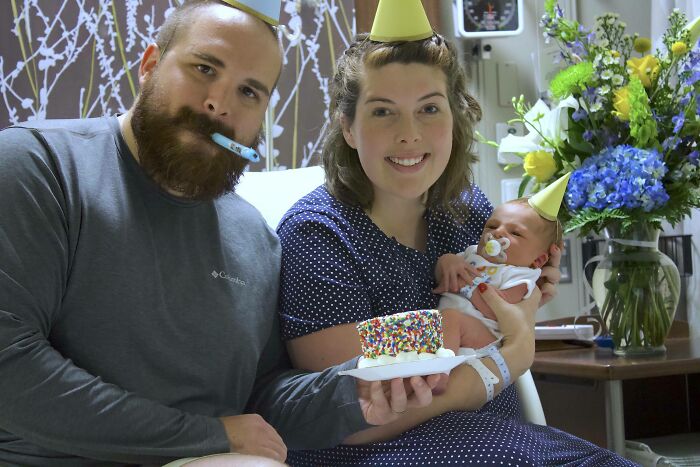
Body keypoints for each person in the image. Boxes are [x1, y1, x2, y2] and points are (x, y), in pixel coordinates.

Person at [0, 1, 440, 466]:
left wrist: (353, 392)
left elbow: (262, 400)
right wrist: (205, 437)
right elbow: (9, 365)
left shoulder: (254, 237)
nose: (220, 104)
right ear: (150, 65)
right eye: (204, 68)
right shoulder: (35, 168)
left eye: (250, 92)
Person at [275, 0, 637, 464]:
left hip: (497, 431)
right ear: (347, 127)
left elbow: (507, 320)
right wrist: (481, 347)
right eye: (383, 112)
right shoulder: (317, 235)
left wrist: (524, 289)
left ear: (456, 115)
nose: (409, 134)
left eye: (429, 108)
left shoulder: (468, 214)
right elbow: (346, 401)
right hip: (387, 450)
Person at [436, 197, 564, 350]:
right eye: (491, 225)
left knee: (451, 319)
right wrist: (447, 261)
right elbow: (441, 278)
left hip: (487, 337)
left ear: (538, 260)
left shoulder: (521, 277)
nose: (497, 232)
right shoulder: (470, 254)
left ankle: (438, 372)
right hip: (447, 328)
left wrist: (465, 285)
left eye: (515, 233)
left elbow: (498, 311)